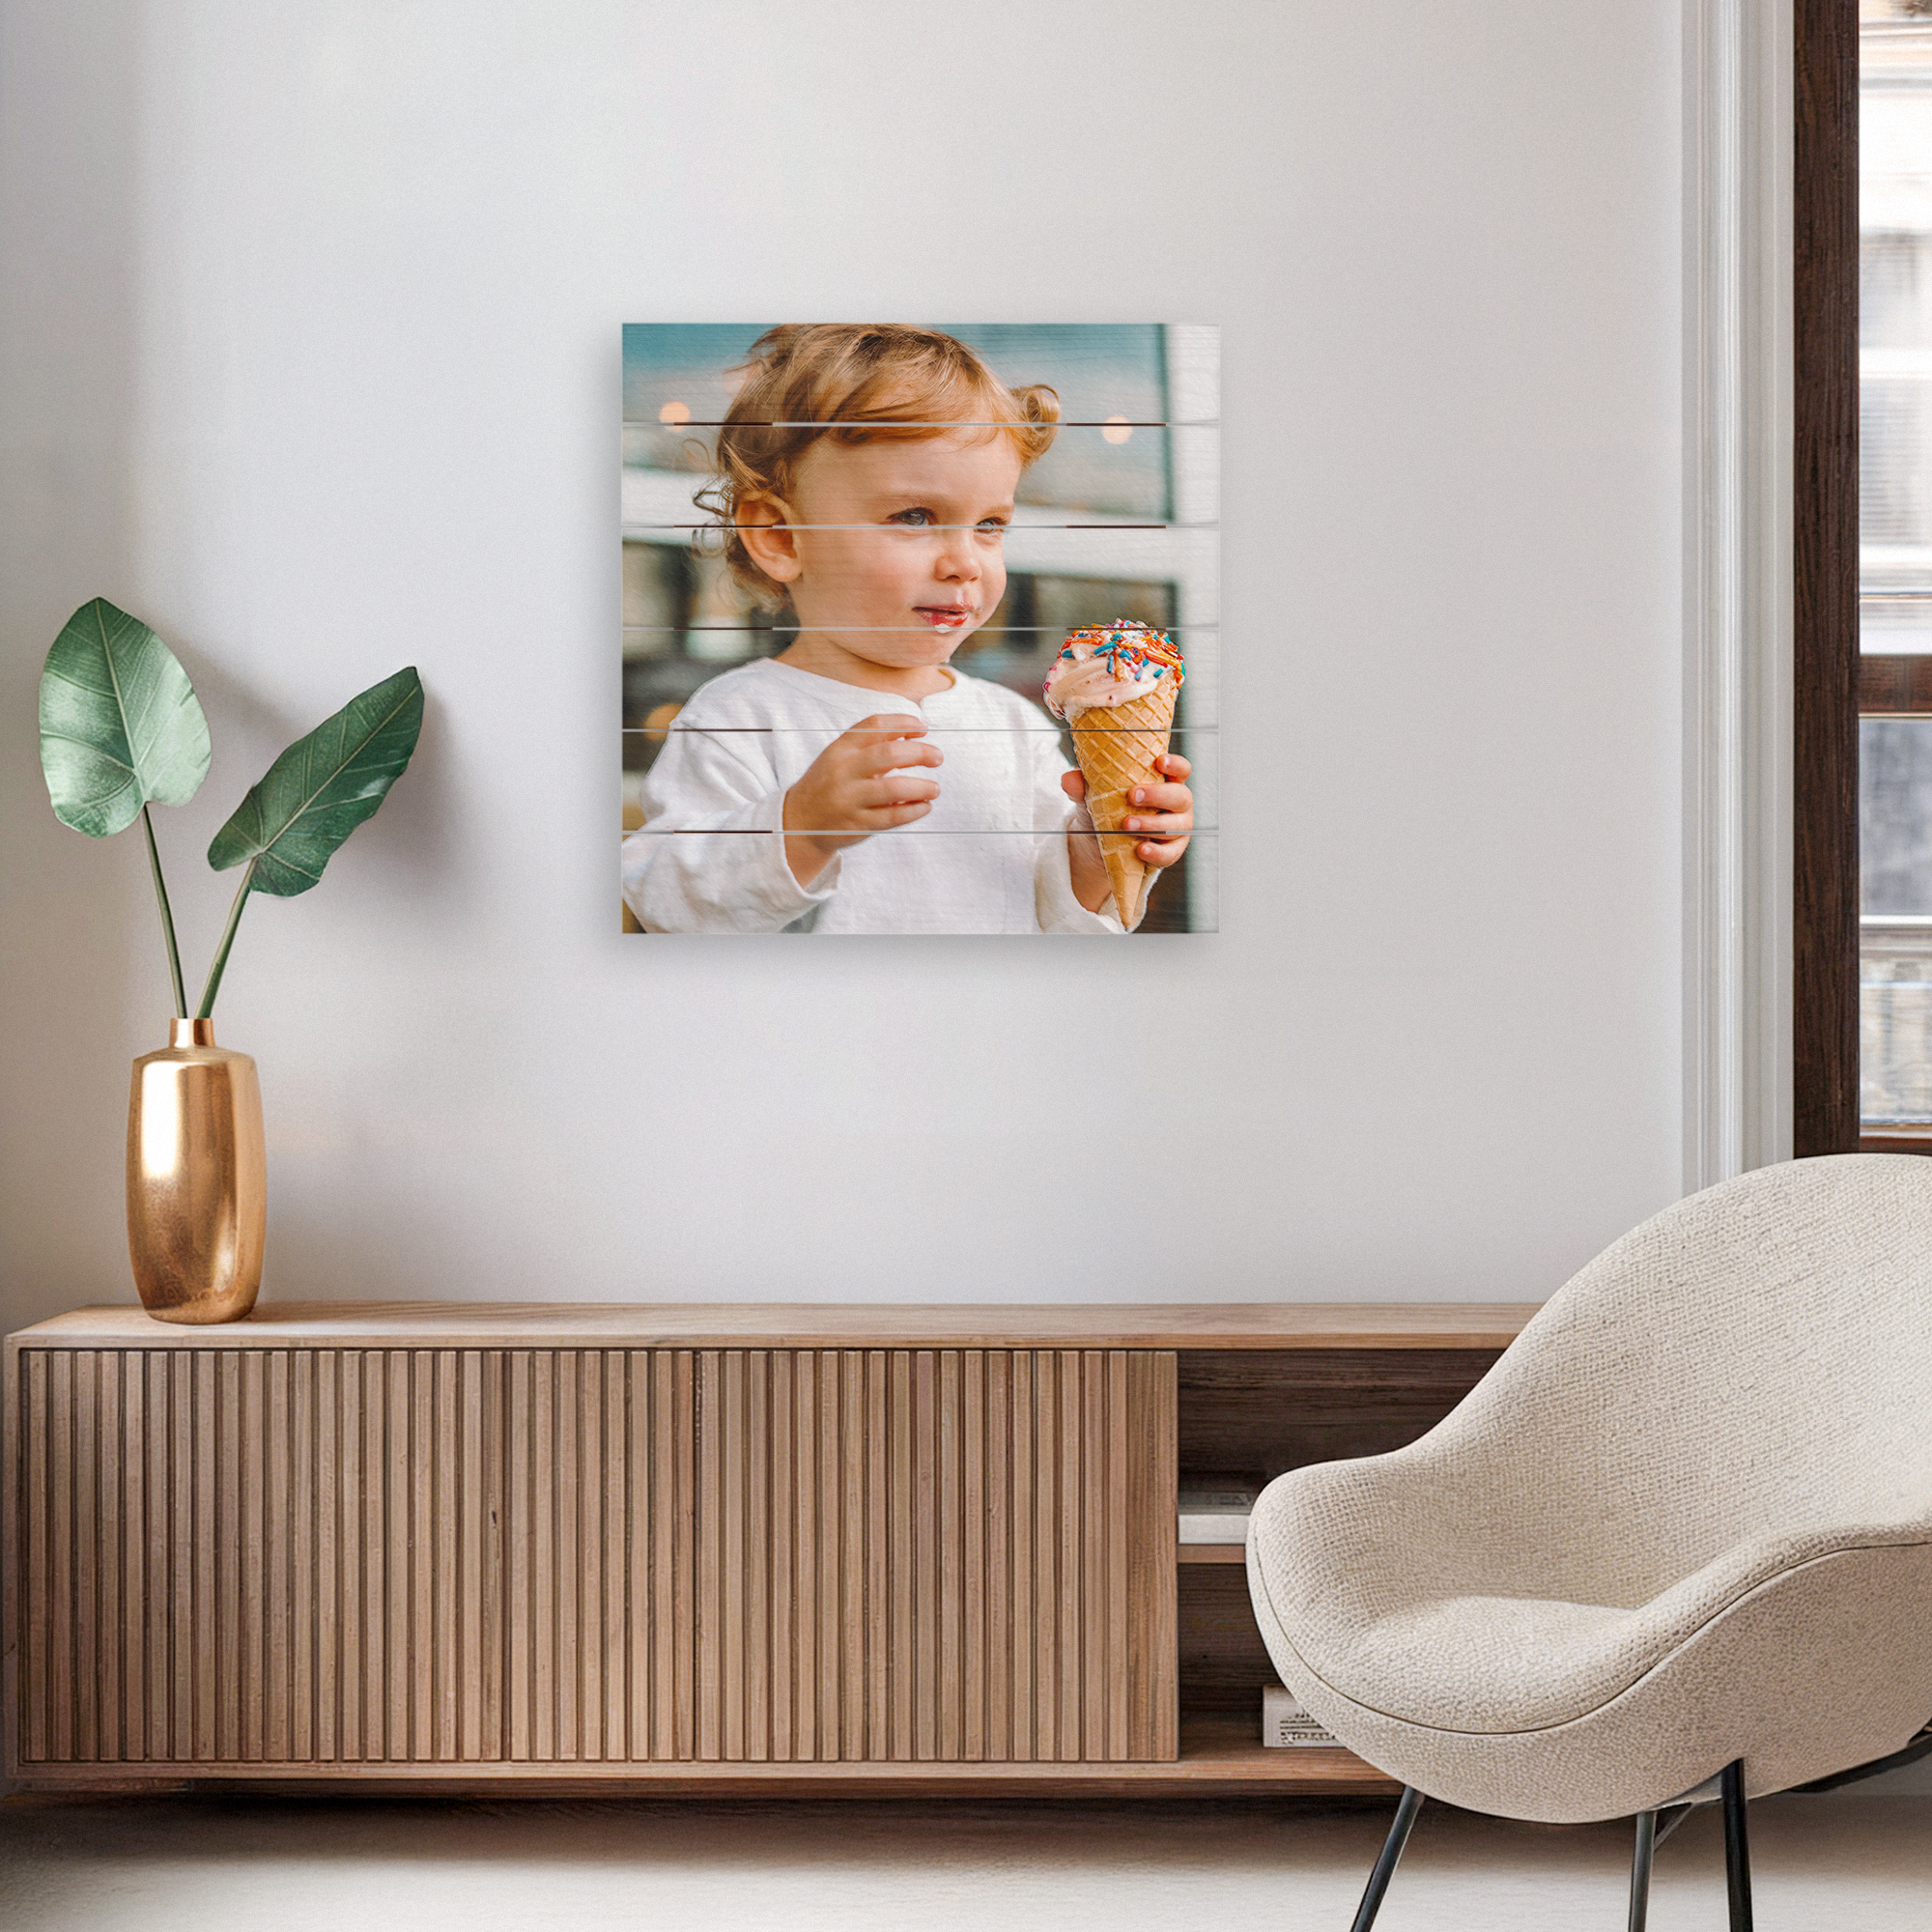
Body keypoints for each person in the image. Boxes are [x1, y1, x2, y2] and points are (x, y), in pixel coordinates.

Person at [620, 325, 1192, 933]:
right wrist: (801, 827)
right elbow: (666, 905)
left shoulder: (1015, 725)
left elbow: (1056, 917)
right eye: (915, 517)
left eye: (990, 524)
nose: (965, 562)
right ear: (782, 537)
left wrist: (1098, 849)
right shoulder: (738, 719)